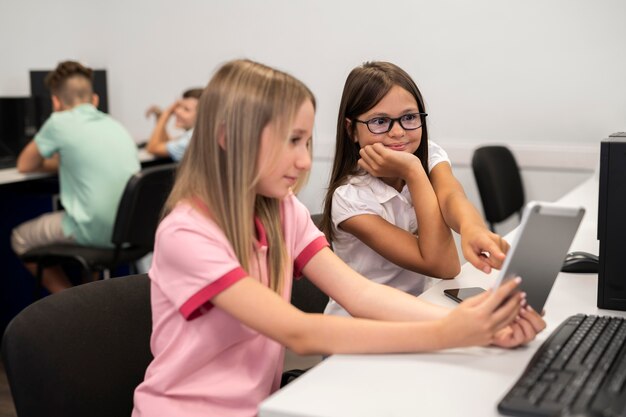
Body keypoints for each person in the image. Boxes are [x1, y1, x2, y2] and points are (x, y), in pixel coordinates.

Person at [131, 59, 545, 417]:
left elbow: (361, 295)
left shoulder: (281, 209)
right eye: (292, 141)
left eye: (307, 141)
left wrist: (477, 326)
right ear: (227, 139)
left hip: (263, 405)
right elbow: (299, 333)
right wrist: (451, 332)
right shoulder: (187, 233)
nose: (306, 160)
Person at [321, 61, 511, 316]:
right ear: (351, 130)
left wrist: (472, 229)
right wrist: (413, 172)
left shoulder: (429, 154)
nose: (398, 132)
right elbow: (443, 265)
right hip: (363, 327)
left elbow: (451, 196)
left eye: (409, 118)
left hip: (420, 308)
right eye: (380, 121)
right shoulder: (349, 198)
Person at [11, 60, 140, 293]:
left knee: (19, 237)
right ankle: (89, 299)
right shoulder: (114, 124)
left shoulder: (59, 122)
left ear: (56, 101)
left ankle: (69, 301)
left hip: (94, 232)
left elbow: (25, 164)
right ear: (95, 99)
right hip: (131, 231)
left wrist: (58, 160)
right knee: (87, 214)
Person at [144, 87, 203, 161]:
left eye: (186, 109)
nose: (177, 111)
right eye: (179, 107)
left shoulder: (190, 140)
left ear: (202, 116)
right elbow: (167, 143)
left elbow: (152, 148)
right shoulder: (194, 134)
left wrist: (165, 115)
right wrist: (160, 118)